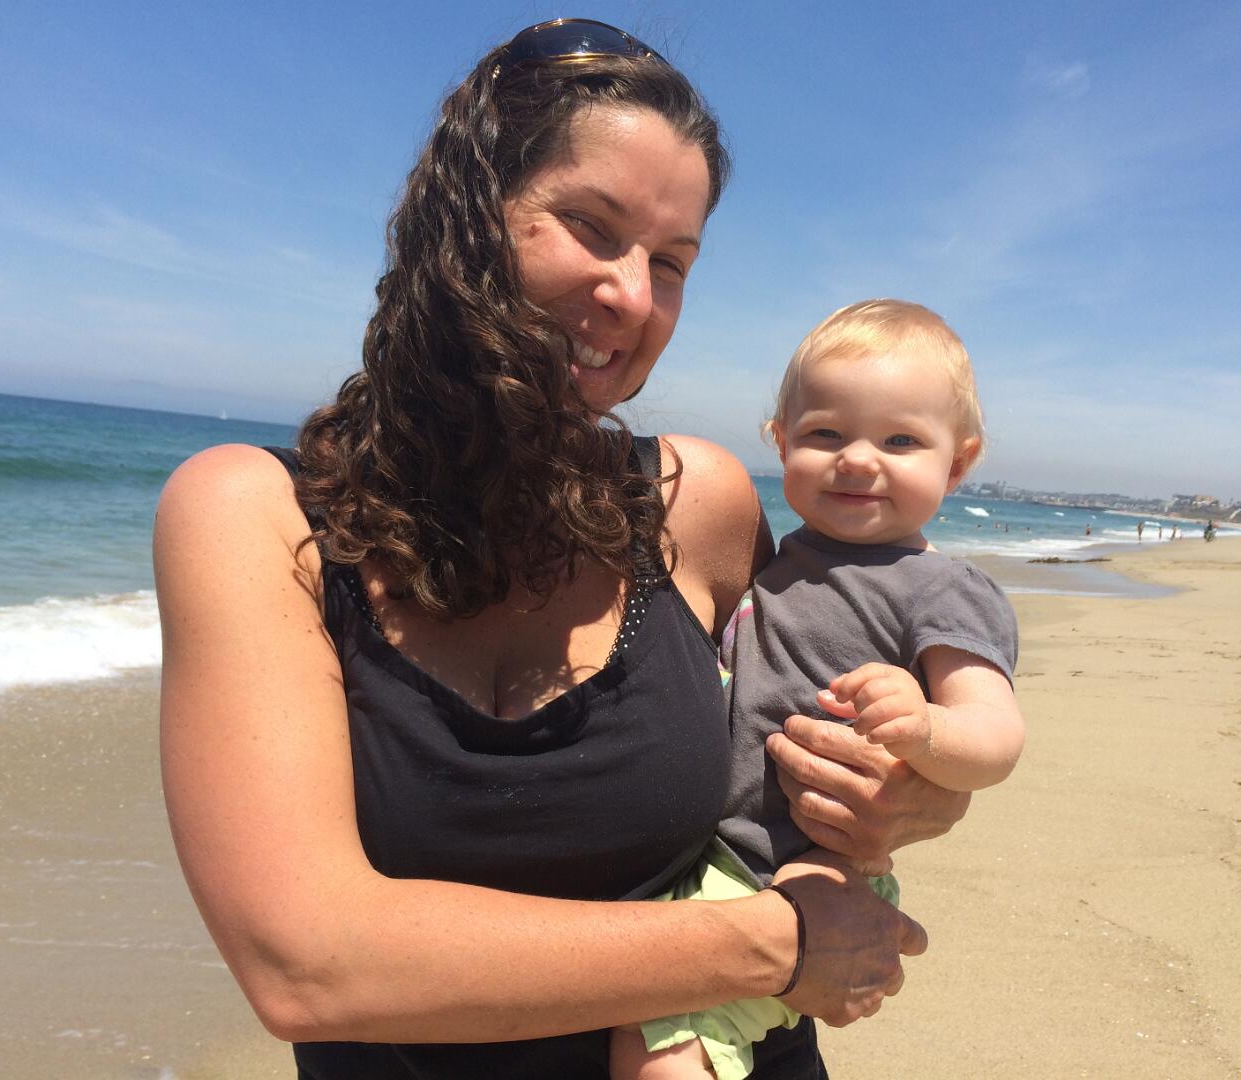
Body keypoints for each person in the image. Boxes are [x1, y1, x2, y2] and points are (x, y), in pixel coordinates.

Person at [154, 20, 967, 1079]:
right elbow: (305, 965)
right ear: (464, 212)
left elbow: (838, 715)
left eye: (670, 263)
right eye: (591, 227)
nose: (633, 295)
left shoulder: (696, 506)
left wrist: (919, 791)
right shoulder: (258, 515)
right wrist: (778, 947)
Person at [614, 301, 1024, 1080]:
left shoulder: (942, 590)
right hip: (722, 851)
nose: (858, 460)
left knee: (660, 1044)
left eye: (900, 441)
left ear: (958, 464)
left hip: (810, 864)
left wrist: (925, 729)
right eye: (827, 434)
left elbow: (997, 739)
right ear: (781, 442)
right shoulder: (783, 557)